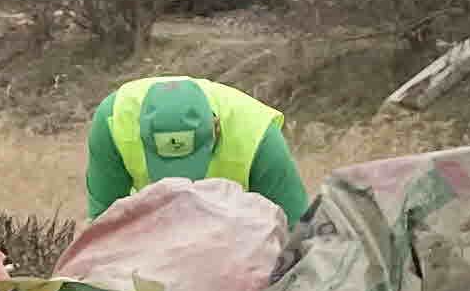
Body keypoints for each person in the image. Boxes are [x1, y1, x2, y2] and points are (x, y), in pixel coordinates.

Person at [84, 72, 308, 218]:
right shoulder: (115, 121)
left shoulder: (258, 137)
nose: (181, 184)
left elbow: (296, 232)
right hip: (152, 225)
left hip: (237, 230)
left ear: (216, 128)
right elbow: (103, 222)